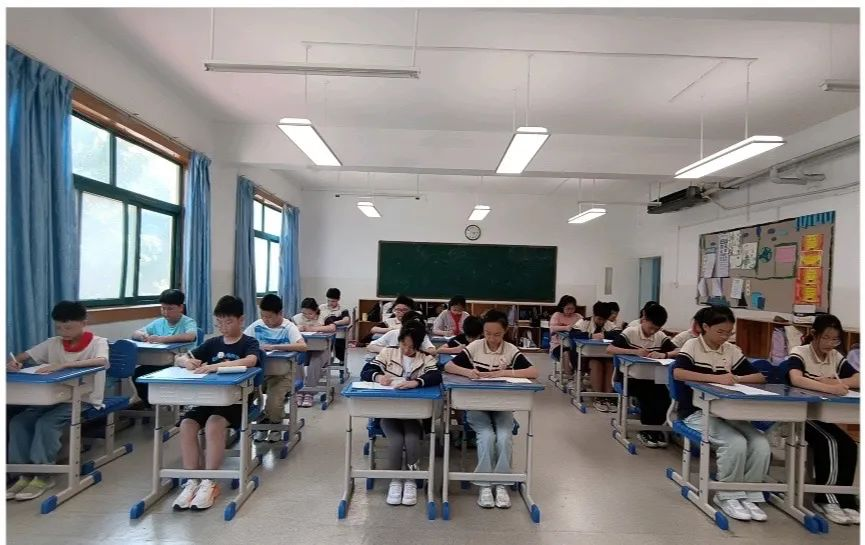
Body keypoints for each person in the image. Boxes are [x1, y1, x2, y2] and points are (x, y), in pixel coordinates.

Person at [672, 305, 770, 522]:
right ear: (705, 327)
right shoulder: (692, 345)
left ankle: (749, 495)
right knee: (735, 442)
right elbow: (678, 372)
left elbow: (759, 377)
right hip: (696, 413)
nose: (725, 337)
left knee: (761, 443)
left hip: (727, 413)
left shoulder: (730, 350)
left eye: (729, 333)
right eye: (720, 332)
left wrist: (737, 378)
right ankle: (727, 495)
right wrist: (716, 379)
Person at [6, 301, 109, 501]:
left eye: (68, 327)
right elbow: (25, 355)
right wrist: (14, 363)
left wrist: (62, 365)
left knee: (46, 423)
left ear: (83, 323)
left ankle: (43, 475)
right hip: (51, 398)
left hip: (82, 399)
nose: (63, 332)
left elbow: (102, 361)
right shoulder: (53, 342)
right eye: (59, 327)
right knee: (19, 422)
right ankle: (23, 473)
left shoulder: (97, 342)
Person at [171, 296, 260, 511]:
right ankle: (192, 480)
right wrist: (186, 361)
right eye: (219, 322)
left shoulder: (249, 342)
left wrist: (216, 367)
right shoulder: (212, 343)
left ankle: (210, 481)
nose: (223, 327)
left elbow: (251, 361)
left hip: (237, 402)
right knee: (187, 424)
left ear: (241, 320)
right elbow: (181, 357)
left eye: (228, 322)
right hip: (208, 399)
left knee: (214, 423)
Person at [444, 310, 539, 510]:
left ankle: (502, 483)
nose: (492, 338)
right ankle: (485, 485)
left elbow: (533, 371)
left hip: (502, 405)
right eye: (487, 333)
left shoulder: (510, 349)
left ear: (505, 331)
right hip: (477, 405)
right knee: (486, 435)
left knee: (504, 436)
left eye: (497, 334)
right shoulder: (475, 346)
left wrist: (503, 372)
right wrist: (468, 372)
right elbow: (449, 366)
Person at [783, 314, 859, 525]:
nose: (830, 343)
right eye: (826, 338)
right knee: (829, 442)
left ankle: (845, 499)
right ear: (814, 334)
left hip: (824, 416)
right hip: (800, 416)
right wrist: (829, 387)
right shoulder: (800, 353)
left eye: (835, 339)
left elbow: (858, 378)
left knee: (849, 445)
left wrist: (839, 382)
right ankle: (826, 499)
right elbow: (796, 379)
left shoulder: (835, 356)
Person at [360, 321, 442, 506]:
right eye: (404, 344)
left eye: (412, 347)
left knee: (412, 439)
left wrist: (416, 382)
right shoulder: (388, 353)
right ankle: (395, 480)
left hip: (413, 413)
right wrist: (379, 377)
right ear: (399, 341)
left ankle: (411, 479)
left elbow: (436, 376)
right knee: (396, 440)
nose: (407, 350)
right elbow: (367, 371)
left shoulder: (425, 358)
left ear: (419, 345)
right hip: (388, 412)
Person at [607, 303, 679, 448]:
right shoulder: (631, 332)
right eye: (651, 327)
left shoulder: (660, 336)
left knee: (665, 397)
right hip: (629, 379)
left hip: (652, 378)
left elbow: (678, 351)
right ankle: (647, 430)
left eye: (656, 329)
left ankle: (655, 430)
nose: (652, 331)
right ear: (644, 319)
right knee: (648, 396)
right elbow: (610, 349)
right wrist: (634, 352)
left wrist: (664, 354)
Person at [243, 294, 308, 442]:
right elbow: (243, 340)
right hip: (259, 375)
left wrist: (274, 347)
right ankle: (263, 421)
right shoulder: (257, 325)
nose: (266, 320)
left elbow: (303, 346)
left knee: (274, 401)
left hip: (282, 375)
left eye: (269, 317)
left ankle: (275, 425)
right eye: (263, 316)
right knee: (244, 398)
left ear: (280, 313)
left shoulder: (288, 327)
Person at [130, 289, 198, 409]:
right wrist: (142, 336)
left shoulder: (188, 322)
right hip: (159, 362)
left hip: (180, 364)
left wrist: (163, 339)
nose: (165, 312)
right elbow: (135, 333)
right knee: (138, 374)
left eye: (170, 309)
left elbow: (190, 336)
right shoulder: (158, 323)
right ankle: (151, 405)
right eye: (163, 308)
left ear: (181, 307)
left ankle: (177, 407)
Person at [572, 301, 621, 412]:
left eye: (604, 320)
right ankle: (598, 397)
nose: (601, 322)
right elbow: (573, 334)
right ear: (594, 315)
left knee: (610, 365)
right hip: (586, 357)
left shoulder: (609, 324)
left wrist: (605, 334)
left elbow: (619, 334)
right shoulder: (584, 322)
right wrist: (591, 335)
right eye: (599, 319)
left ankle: (608, 397)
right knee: (596, 364)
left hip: (605, 356)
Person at [291, 298, 337, 407]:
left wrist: (312, 328)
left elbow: (332, 327)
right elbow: (288, 329)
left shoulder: (324, 316)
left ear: (316, 310)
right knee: (296, 362)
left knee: (314, 363)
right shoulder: (297, 318)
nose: (307, 316)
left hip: (322, 349)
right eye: (304, 313)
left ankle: (309, 393)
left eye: (310, 314)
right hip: (304, 350)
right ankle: (299, 391)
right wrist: (298, 328)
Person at [368, 311, 436, 355]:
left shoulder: (421, 335)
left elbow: (432, 351)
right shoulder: (393, 333)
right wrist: (390, 351)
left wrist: (416, 352)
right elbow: (371, 346)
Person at [548, 295, 583, 382]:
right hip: (557, 345)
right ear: (562, 307)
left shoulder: (578, 316)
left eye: (572, 309)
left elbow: (585, 326)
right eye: (568, 309)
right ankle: (569, 377)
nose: (570, 311)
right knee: (566, 352)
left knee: (580, 354)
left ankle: (578, 375)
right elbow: (552, 328)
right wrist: (566, 328)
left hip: (574, 345)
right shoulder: (557, 315)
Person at [319, 288, 351, 363]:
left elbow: (346, 320)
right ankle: (324, 362)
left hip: (338, 335)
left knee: (339, 347)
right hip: (323, 334)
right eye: (328, 300)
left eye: (333, 301)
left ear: (338, 299)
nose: (330, 303)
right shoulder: (321, 307)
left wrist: (334, 323)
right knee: (321, 348)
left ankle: (341, 361)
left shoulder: (343, 309)